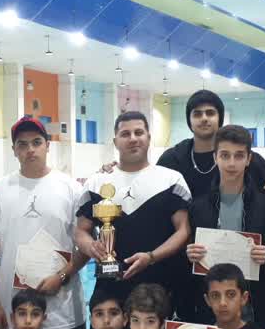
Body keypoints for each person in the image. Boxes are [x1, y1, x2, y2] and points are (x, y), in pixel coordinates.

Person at [0, 117, 87, 329]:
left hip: (64, 310)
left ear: (48, 145)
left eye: (36, 142)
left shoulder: (72, 189)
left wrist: (61, 276)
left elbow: (87, 246)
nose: (30, 149)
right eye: (22, 144)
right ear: (14, 150)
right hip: (13, 312)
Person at [76, 111, 192, 307]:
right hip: (110, 288)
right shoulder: (96, 182)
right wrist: (91, 246)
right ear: (115, 142)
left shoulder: (172, 180)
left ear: (149, 138)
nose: (133, 139)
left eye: (139, 132)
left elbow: (184, 230)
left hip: (160, 286)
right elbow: (80, 231)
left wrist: (151, 257)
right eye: (125, 134)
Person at [186, 124, 265, 328]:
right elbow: (189, 260)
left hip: (254, 302)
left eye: (239, 155)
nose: (232, 163)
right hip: (212, 303)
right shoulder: (198, 206)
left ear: (249, 159)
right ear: (215, 157)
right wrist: (190, 254)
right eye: (225, 155)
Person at [156, 89, 265, 199]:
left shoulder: (248, 161)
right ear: (189, 120)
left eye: (210, 113)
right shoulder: (171, 160)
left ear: (219, 119)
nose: (204, 118)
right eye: (197, 114)